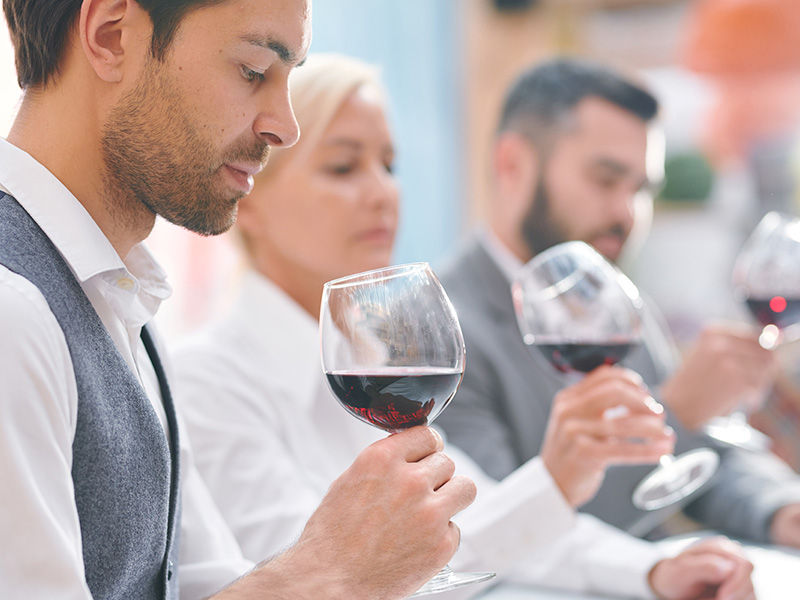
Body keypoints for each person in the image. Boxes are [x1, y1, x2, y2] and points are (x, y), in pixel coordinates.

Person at [174, 53, 756, 600]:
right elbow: (321, 573)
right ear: (246, 196)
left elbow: (477, 521)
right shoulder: (208, 382)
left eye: (389, 164)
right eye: (344, 166)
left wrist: (654, 569)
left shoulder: (377, 365)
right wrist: (555, 480)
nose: (383, 192)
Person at [0, 2, 479, 599]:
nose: (285, 128)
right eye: (254, 70)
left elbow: (207, 586)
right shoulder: (13, 312)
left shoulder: (127, 314)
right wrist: (329, 570)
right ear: (111, 36)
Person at [433, 56, 800, 548]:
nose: (627, 213)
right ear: (512, 164)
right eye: (606, 180)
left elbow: (705, 456)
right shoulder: (442, 334)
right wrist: (678, 413)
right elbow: (500, 536)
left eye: (642, 189)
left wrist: (782, 509)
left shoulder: (617, 303)